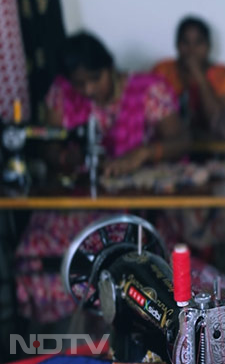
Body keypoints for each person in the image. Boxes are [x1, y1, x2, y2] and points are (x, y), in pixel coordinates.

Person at [14, 31, 191, 323]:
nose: (88, 90)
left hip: (131, 203)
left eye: (95, 79)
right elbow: (48, 146)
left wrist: (142, 155)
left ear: (109, 66)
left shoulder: (149, 91)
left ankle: (114, 315)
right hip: (80, 199)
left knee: (123, 248)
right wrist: (61, 157)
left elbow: (182, 140)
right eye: (79, 83)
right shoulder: (62, 92)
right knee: (37, 248)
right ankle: (62, 322)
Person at [152, 15, 225, 142]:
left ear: (209, 46)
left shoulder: (223, 75)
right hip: (172, 147)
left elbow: (219, 121)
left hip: (217, 150)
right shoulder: (163, 71)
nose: (191, 50)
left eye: (198, 42)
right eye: (185, 42)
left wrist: (199, 77)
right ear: (177, 45)